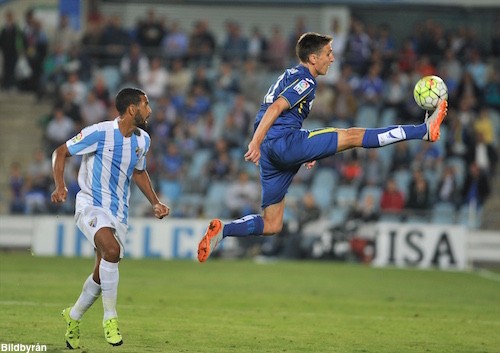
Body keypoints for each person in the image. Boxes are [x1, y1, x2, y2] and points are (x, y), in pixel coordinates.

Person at [197, 32, 447, 263]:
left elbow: (270, 110)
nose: (333, 58)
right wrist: (256, 142)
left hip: (275, 153)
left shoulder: (289, 74)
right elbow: (276, 109)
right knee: (353, 136)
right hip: (280, 143)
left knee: (272, 224)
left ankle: (224, 230)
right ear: (313, 58)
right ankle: (423, 131)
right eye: (328, 54)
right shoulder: (305, 80)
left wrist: (302, 150)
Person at [51, 88, 169, 348]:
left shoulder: (142, 141)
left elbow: (139, 172)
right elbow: (60, 152)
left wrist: (156, 202)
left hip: (119, 214)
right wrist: (60, 185)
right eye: (146, 104)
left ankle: (73, 316)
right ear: (132, 109)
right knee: (112, 251)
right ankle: (110, 319)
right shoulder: (99, 132)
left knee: (101, 272)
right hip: (90, 204)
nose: (150, 110)